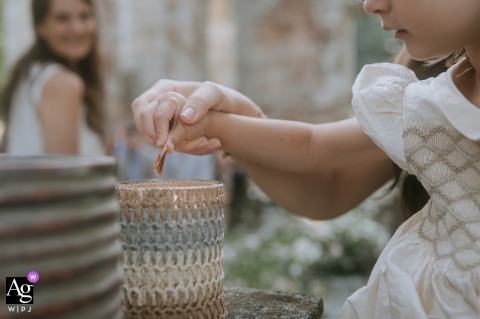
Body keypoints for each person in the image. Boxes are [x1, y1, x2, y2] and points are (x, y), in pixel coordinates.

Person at [132, 0, 480, 317]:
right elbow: (318, 159)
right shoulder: (429, 98)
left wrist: (221, 122)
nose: (371, 5)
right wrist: (222, 117)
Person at [2, 0, 106, 156]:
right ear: (40, 26)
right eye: (62, 18)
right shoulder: (62, 83)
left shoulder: (32, 73)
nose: (77, 29)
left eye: (84, 16)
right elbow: (64, 177)